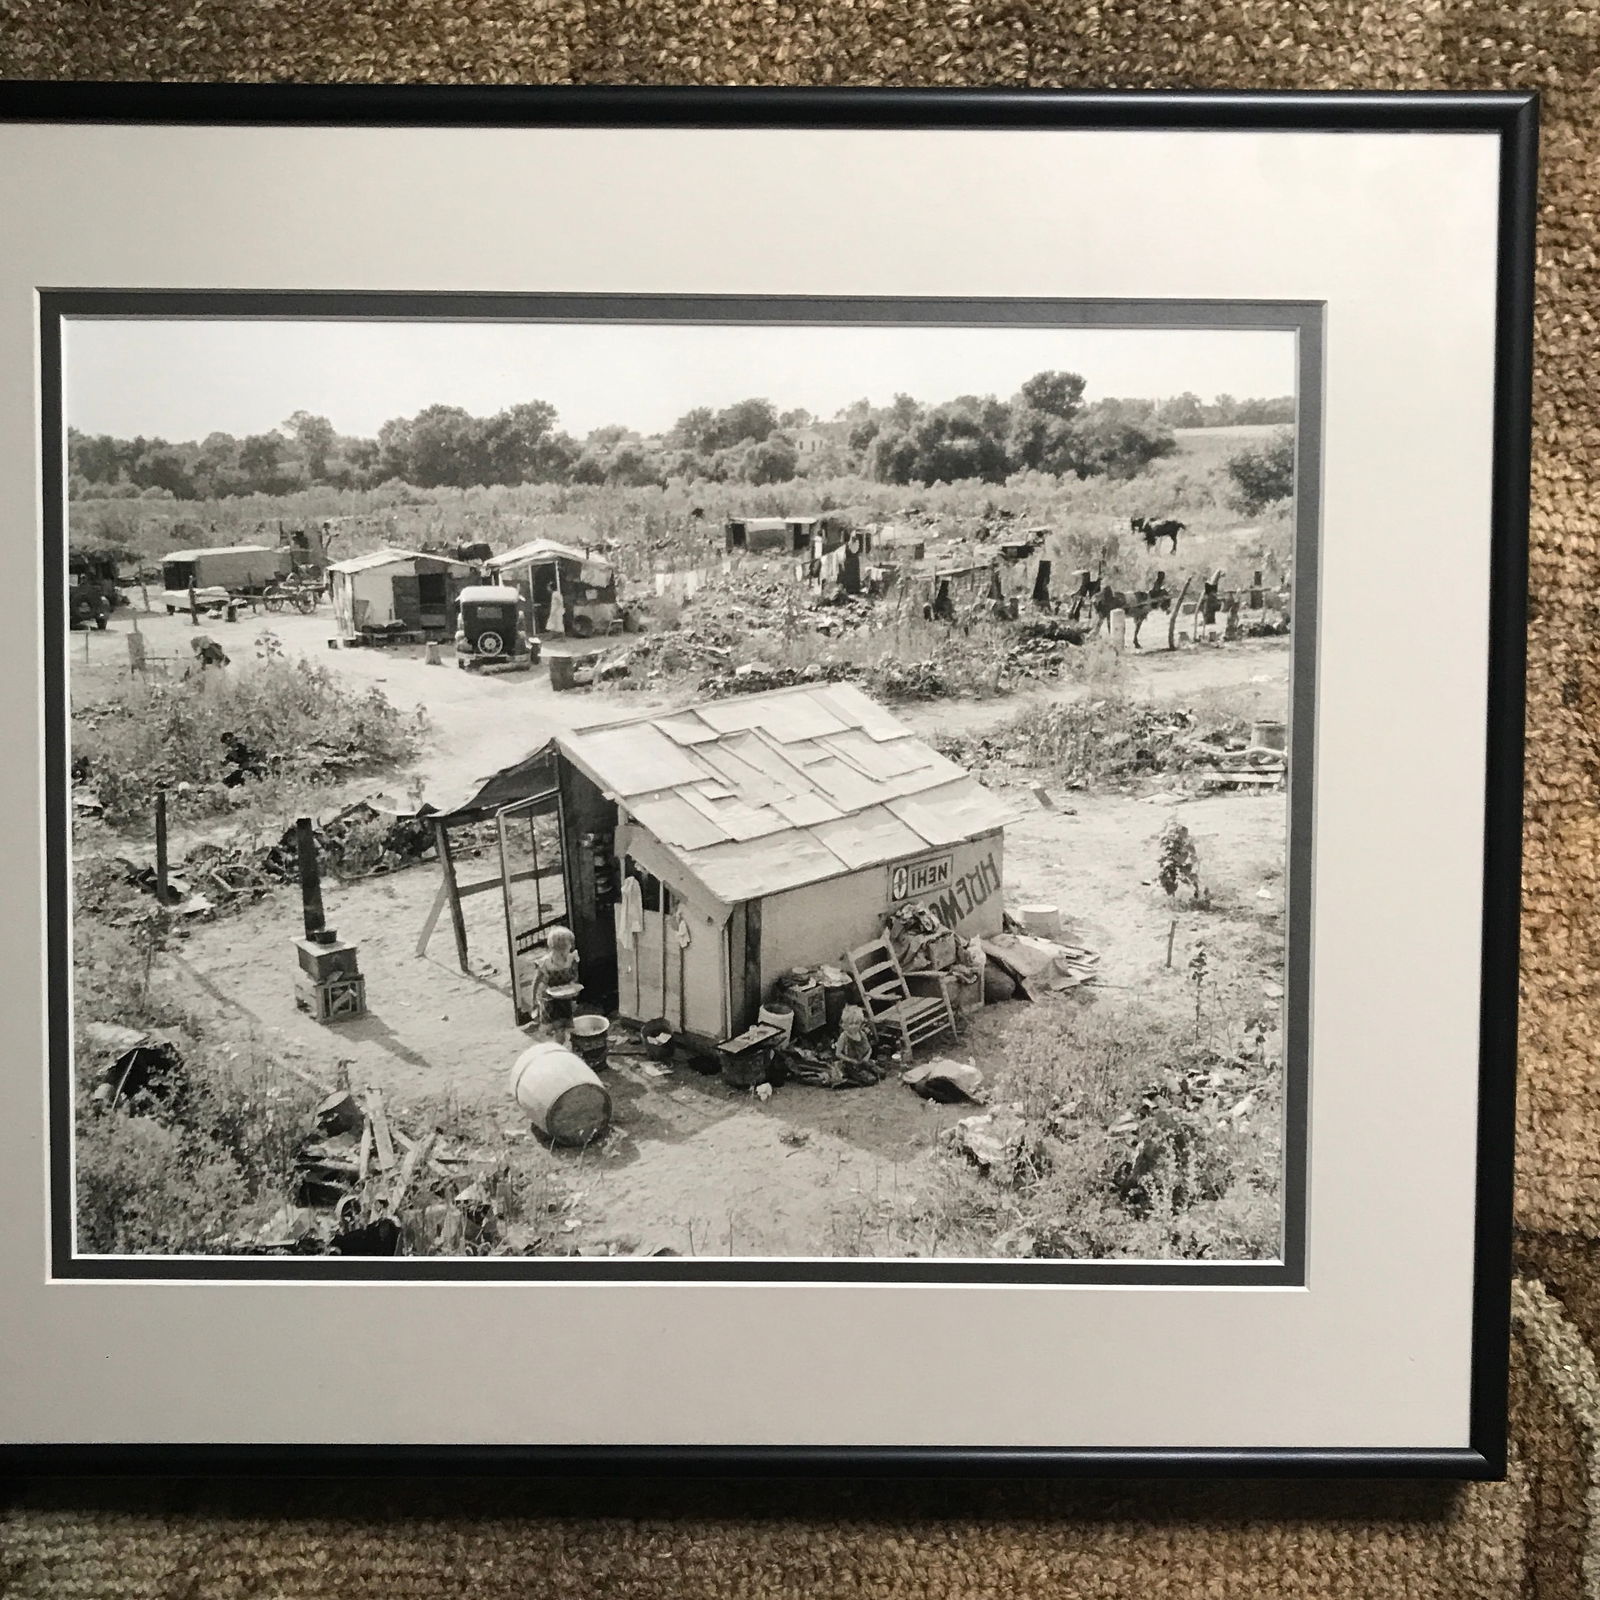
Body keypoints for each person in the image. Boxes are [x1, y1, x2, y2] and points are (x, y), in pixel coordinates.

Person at [528, 925, 581, 1025]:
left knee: (566, 1024)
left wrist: (573, 984)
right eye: (563, 950)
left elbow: (574, 975)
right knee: (552, 1026)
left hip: (565, 1000)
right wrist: (533, 1000)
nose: (568, 950)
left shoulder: (570, 958)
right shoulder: (545, 962)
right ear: (554, 949)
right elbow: (536, 981)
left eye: (569, 946)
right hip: (549, 1000)